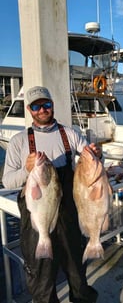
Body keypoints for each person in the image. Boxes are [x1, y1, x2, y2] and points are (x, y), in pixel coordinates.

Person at [2, 86, 100, 303]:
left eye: (46, 104)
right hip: (38, 214)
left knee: (76, 268)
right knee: (42, 275)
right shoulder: (19, 141)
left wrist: (95, 153)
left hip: (68, 214)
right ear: (29, 110)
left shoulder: (70, 133)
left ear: (52, 105)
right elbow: (8, 181)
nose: (42, 109)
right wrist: (27, 170)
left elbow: (89, 158)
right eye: (36, 106)